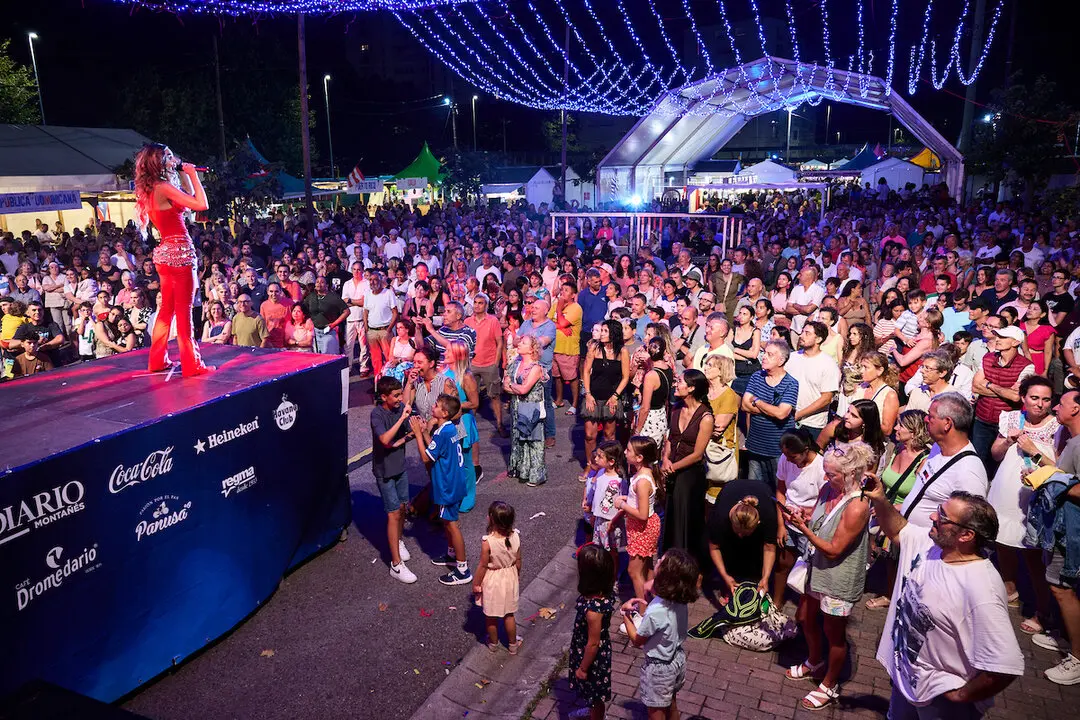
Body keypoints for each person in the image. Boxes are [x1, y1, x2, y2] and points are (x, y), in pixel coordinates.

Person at [864, 477, 1024, 718]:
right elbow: (898, 529)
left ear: (966, 535)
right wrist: (880, 499)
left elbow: (1005, 666)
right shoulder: (932, 545)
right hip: (907, 682)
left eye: (942, 516)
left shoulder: (982, 589)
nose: (932, 516)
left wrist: (962, 696)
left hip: (940, 700)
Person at [781, 442, 873, 711]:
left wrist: (803, 529)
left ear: (849, 474)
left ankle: (830, 684)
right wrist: (803, 515)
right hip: (816, 569)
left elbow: (834, 550)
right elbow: (818, 518)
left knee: (834, 633)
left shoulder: (857, 506)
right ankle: (814, 661)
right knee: (804, 618)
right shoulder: (827, 489)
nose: (825, 477)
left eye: (831, 474)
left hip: (838, 577)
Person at [987, 375, 1059, 635]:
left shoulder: (1057, 426)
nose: (1040, 404)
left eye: (1046, 399)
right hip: (1004, 491)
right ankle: (1010, 589)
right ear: (1023, 397)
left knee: (1032, 554)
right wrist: (1008, 440)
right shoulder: (1011, 418)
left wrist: (1031, 449)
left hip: (1033, 497)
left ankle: (1043, 610)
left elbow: (1059, 467)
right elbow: (995, 454)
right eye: (1034, 398)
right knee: (1001, 541)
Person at [133, 144, 211, 377]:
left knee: (166, 310)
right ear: (156, 162)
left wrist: (186, 175)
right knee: (184, 310)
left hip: (164, 254)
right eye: (167, 156)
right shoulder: (164, 187)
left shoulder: (152, 188)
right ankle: (192, 364)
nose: (173, 158)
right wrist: (194, 175)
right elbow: (201, 205)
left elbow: (187, 203)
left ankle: (157, 360)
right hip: (180, 253)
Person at [620, 549, 699, 720]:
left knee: (656, 713)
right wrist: (651, 586)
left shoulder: (655, 611)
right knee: (671, 703)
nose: (657, 561)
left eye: (661, 561)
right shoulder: (680, 598)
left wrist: (625, 614)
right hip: (677, 659)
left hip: (659, 668)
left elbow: (637, 640)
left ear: (666, 576)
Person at [864, 410, 932, 610]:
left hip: (906, 516)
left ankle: (893, 596)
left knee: (898, 557)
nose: (895, 428)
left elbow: (924, 494)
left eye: (901, 425)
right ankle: (891, 592)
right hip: (886, 510)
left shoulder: (925, 460)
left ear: (914, 431)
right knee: (889, 558)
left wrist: (896, 507)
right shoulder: (896, 449)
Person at [409, 394, 472, 586]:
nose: (433, 407)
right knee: (446, 521)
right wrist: (425, 433)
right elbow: (436, 449)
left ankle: (463, 570)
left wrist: (418, 434)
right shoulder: (449, 429)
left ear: (444, 413)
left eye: (436, 405)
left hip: (447, 487)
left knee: (452, 524)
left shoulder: (442, 433)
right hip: (455, 483)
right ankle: (452, 555)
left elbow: (426, 458)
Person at [901, 392, 988, 529]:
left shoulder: (969, 471)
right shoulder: (937, 447)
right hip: (909, 536)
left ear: (947, 423)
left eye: (931, 416)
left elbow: (971, 524)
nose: (925, 419)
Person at [662, 370, 714, 571]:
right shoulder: (676, 409)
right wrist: (665, 459)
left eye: (680, 381)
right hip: (672, 469)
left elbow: (697, 454)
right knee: (672, 515)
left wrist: (672, 467)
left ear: (691, 388)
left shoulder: (705, 417)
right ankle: (671, 561)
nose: (676, 384)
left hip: (690, 475)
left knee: (685, 519)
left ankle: (686, 565)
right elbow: (670, 438)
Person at [772, 429, 827, 604]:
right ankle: (777, 602)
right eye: (786, 456)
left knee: (807, 569)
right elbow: (781, 491)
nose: (788, 460)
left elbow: (824, 503)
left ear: (805, 450)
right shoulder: (785, 459)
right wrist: (781, 525)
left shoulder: (821, 467)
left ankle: (804, 609)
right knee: (783, 563)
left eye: (793, 457)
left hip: (808, 527)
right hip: (788, 522)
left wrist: (806, 515)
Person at [371, 377, 417, 584]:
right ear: (384, 397)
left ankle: (398, 541)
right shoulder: (377, 414)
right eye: (396, 396)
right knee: (393, 514)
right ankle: (396, 565)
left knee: (402, 507)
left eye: (400, 394)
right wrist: (401, 421)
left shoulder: (399, 409)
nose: (400, 399)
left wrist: (414, 430)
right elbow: (384, 439)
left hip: (400, 467)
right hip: (385, 472)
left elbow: (408, 433)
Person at [972, 325, 1034, 477]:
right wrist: (1006, 391)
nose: (997, 339)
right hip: (982, 418)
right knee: (977, 461)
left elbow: (1016, 397)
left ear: (1015, 342)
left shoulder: (1027, 366)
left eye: (1003, 337)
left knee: (1000, 465)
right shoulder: (988, 358)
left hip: (1007, 423)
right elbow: (975, 386)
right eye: (998, 336)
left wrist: (989, 384)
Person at [707, 480, 778, 602]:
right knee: (730, 547)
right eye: (738, 531)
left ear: (758, 523)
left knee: (754, 549)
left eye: (745, 533)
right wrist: (725, 576)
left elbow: (769, 548)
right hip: (731, 488)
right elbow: (714, 548)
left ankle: (754, 583)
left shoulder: (768, 515)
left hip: (762, 489)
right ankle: (728, 586)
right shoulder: (720, 516)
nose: (740, 536)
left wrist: (765, 577)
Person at [569, 543, 616, 720]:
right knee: (591, 692)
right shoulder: (602, 594)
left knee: (596, 696)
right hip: (591, 652)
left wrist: (583, 668)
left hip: (593, 658)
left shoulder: (593, 610)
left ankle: (596, 715)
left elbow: (593, 643)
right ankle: (592, 712)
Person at [742, 340, 800, 486]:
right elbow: (744, 405)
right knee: (754, 490)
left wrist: (757, 401)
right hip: (755, 446)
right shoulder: (756, 376)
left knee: (778, 489)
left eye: (770, 354)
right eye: (764, 353)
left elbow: (781, 414)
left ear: (781, 360)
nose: (764, 357)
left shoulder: (791, 383)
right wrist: (772, 410)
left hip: (778, 449)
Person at [616, 436, 663, 610]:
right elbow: (641, 501)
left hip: (642, 528)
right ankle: (652, 602)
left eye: (629, 450)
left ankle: (643, 613)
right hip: (643, 527)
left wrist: (622, 505)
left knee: (634, 571)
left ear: (639, 458)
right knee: (647, 567)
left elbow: (642, 515)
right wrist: (627, 498)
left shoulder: (642, 481)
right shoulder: (643, 473)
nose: (625, 452)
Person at [472, 501, 523, 654]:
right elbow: (518, 560)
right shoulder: (516, 536)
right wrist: (516, 575)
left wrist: (476, 584)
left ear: (491, 519)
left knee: (491, 616)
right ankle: (513, 645)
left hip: (493, 580)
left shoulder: (488, 542)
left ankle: (493, 643)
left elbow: (483, 566)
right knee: (509, 615)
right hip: (510, 576)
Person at [582, 319, 631, 465]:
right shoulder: (594, 348)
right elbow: (586, 371)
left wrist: (615, 396)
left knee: (609, 435)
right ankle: (591, 465)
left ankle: (608, 465)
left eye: (605, 331)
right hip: (593, 396)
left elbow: (626, 377)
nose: (601, 334)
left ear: (613, 333)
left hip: (611, 398)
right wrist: (588, 394)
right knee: (590, 435)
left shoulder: (622, 351)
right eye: (601, 331)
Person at [787, 321, 841, 443]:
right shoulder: (792, 357)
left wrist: (799, 414)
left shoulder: (828, 364)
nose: (801, 336)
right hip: (787, 418)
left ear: (818, 339)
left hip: (812, 424)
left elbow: (826, 398)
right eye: (802, 332)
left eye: (807, 333)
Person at [505, 335, 547, 487]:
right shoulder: (515, 364)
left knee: (533, 441)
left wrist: (512, 386)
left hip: (531, 408)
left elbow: (524, 389)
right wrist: (513, 387)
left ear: (531, 349)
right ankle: (521, 470)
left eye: (524, 343)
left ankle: (536, 475)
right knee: (518, 438)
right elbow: (505, 386)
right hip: (516, 407)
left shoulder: (536, 368)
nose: (519, 344)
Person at [443, 340, 480, 509]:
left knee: (464, 462)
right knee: (451, 462)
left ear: (458, 355)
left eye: (449, 351)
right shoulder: (444, 372)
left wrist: (453, 405)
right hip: (447, 422)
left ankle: (467, 498)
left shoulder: (466, 376)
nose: (445, 353)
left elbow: (474, 403)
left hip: (462, 422)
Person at [465, 293, 504, 434]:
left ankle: (500, 424)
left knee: (495, 396)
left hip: (489, 364)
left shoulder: (493, 321)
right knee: (471, 396)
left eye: (480, 303)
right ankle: (468, 427)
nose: (477, 305)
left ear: (486, 305)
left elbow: (500, 343)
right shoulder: (468, 321)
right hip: (472, 365)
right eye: (475, 302)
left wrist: (496, 363)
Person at [702, 354, 739, 496]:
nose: (705, 368)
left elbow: (718, 427)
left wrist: (696, 425)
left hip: (719, 451)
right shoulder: (703, 391)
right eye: (706, 364)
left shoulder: (728, 395)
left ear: (721, 371)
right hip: (702, 449)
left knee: (717, 495)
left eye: (710, 365)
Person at [837, 351, 900, 436]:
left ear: (880, 371)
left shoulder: (889, 395)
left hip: (872, 440)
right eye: (861, 367)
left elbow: (887, 430)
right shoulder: (860, 388)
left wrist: (863, 420)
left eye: (866, 367)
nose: (861, 371)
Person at [550, 281, 583, 413]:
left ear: (573, 295)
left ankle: (575, 404)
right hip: (555, 347)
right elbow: (547, 322)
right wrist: (561, 328)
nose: (562, 292)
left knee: (571, 377)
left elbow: (563, 322)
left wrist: (559, 309)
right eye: (562, 289)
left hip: (569, 349)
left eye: (566, 290)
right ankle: (559, 400)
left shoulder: (576, 308)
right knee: (557, 376)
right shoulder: (555, 304)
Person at [635, 337, 673, 446]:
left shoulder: (651, 375)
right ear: (664, 351)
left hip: (650, 420)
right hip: (661, 416)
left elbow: (645, 408)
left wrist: (637, 431)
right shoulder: (668, 369)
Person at [305, 276, 349, 355]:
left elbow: (346, 311)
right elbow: (304, 309)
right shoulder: (311, 297)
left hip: (328, 332)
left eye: (322, 282)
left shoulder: (333, 297)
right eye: (317, 282)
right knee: (317, 358)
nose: (319, 284)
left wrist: (334, 324)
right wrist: (308, 321)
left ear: (327, 285)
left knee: (329, 357)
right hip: (315, 332)